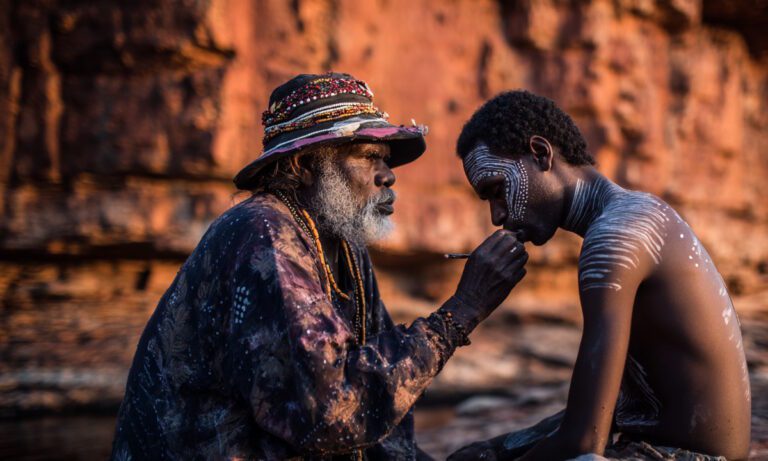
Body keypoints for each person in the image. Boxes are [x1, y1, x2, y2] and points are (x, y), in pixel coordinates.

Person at [110, 72, 529, 461]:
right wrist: (463, 310)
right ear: (305, 166)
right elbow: (328, 411)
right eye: (369, 157)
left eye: (386, 159)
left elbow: (375, 411)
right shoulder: (262, 232)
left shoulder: (342, 246)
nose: (388, 176)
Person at [448, 91, 751, 461]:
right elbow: (617, 410)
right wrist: (496, 448)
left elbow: (584, 444)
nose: (497, 216)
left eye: (497, 190)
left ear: (541, 154)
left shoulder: (614, 239)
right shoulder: (630, 215)